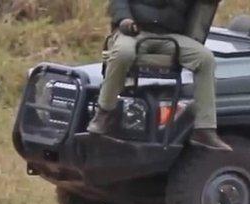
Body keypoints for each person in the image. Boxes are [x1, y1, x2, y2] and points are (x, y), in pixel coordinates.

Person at [87, 0, 231, 151]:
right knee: (123, 53)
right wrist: (124, 19)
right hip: (135, 31)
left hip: (171, 35)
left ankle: (204, 128)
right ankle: (104, 112)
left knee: (205, 59)